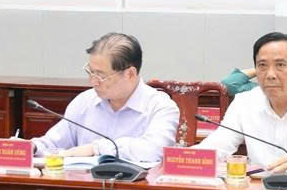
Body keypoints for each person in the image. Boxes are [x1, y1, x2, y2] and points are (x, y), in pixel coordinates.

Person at [195, 32, 287, 173]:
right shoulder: (244, 103)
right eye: (262, 65)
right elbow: (218, 145)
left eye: (280, 65)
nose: (270, 75)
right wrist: (185, 159)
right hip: (257, 186)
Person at [31, 33, 180, 162]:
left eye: (101, 76)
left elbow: (155, 150)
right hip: (83, 183)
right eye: (90, 72)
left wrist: (96, 148)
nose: (93, 82)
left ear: (130, 74)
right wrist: (33, 147)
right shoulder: (85, 101)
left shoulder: (160, 106)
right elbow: (53, 143)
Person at [220, 36, 287, 96]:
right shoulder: (259, 92)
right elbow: (229, 84)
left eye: (280, 64)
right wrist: (264, 67)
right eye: (263, 64)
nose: (271, 75)